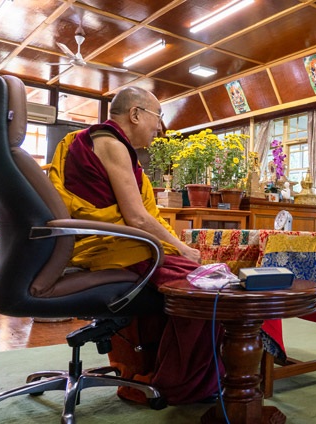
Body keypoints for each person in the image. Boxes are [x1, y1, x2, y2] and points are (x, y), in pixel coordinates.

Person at [48, 87, 222, 405]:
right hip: (118, 247)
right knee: (206, 288)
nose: (160, 128)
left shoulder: (85, 141)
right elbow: (137, 219)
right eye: (158, 118)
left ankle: (145, 370)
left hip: (108, 244)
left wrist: (172, 245)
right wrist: (180, 248)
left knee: (191, 282)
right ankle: (179, 385)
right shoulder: (111, 145)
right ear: (136, 114)